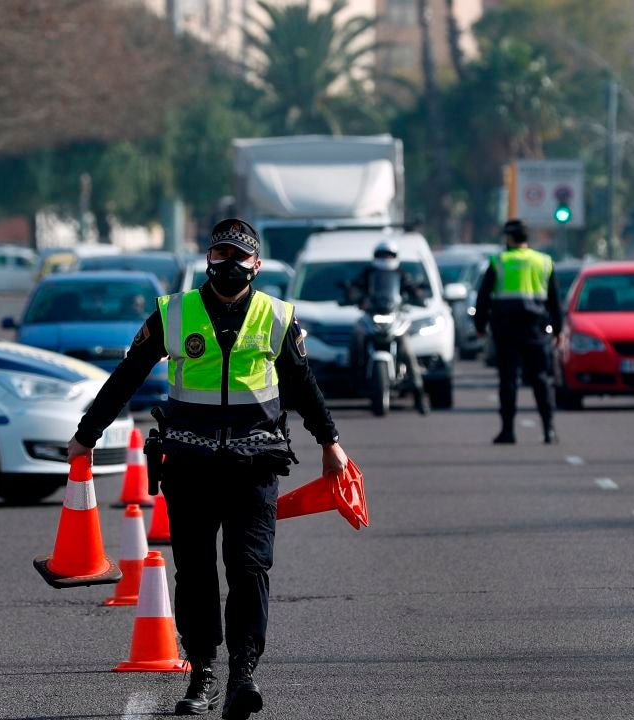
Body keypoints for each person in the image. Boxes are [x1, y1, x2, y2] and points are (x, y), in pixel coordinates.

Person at [68, 219, 348, 719]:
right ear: (207, 260)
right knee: (195, 572)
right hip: (190, 464)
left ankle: (244, 673)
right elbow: (128, 375)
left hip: (254, 464)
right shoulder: (174, 313)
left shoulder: (276, 316)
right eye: (221, 255)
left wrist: (330, 442)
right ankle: (203, 672)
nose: (229, 264)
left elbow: (303, 384)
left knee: (249, 567)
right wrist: (87, 435)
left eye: (239, 257)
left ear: (256, 265)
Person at [473, 219, 561, 445]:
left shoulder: (500, 261)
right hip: (535, 329)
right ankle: (549, 430)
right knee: (540, 379)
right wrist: (558, 330)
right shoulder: (543, 262)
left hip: (506, 329)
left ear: (510, 238)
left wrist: (480, 326)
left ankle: (508, 431)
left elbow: (483, 297)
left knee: (508, 380)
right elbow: (554, 300)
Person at [345, 240, 428, 414]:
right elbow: (354, 289)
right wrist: (357, 298)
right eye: (382, 255)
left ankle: (418, 392)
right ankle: (354, 376)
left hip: (394, 316)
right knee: (357, 339)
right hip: (372, 316)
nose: (385, 258)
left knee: (408, 352)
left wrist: (418, 297)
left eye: (389, 255)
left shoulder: (401, 274)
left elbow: (413, 289)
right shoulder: (368, 273)